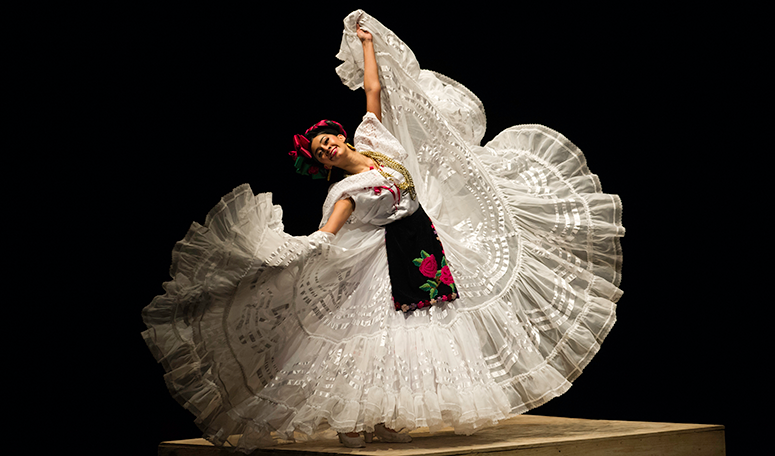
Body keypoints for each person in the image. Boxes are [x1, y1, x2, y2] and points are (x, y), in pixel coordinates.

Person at [142, 10, 624, 453]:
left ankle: (380, 419)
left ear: (340, 134)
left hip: (420, 242)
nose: (327, 146)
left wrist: (367, 43)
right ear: (321, 163)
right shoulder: (346, 192)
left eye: (326, 138)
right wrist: (285, 249)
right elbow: (327, 235)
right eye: (319, 150)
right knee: (377, 336)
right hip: (381, 261)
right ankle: (357, 421)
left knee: (416, 331)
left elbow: (372, 89)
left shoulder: (374, 139)